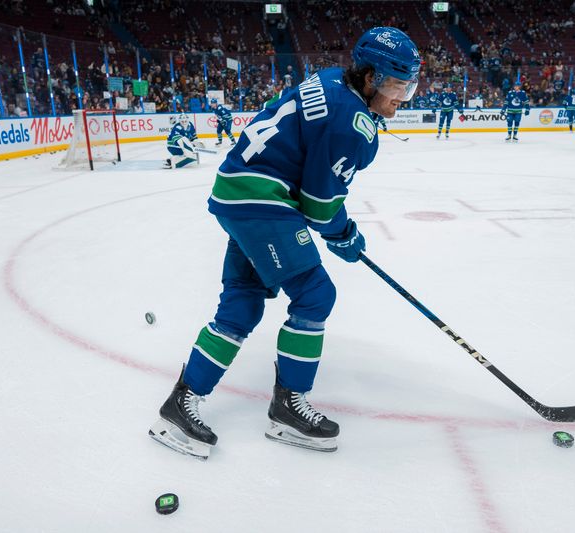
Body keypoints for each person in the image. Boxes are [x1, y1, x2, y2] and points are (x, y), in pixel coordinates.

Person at [149, 26, 421, 460]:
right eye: (395, 86)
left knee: (243, 302)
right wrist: (344, 234)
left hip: (237, 192)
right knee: (315, 294)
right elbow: (318, 205)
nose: (399, 99)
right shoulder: (352, 124)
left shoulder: (333, 77)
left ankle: (180, 404)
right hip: (261, 200)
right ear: (369, 77)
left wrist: (335, 226)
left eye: (408, 88)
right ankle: (288, 406)